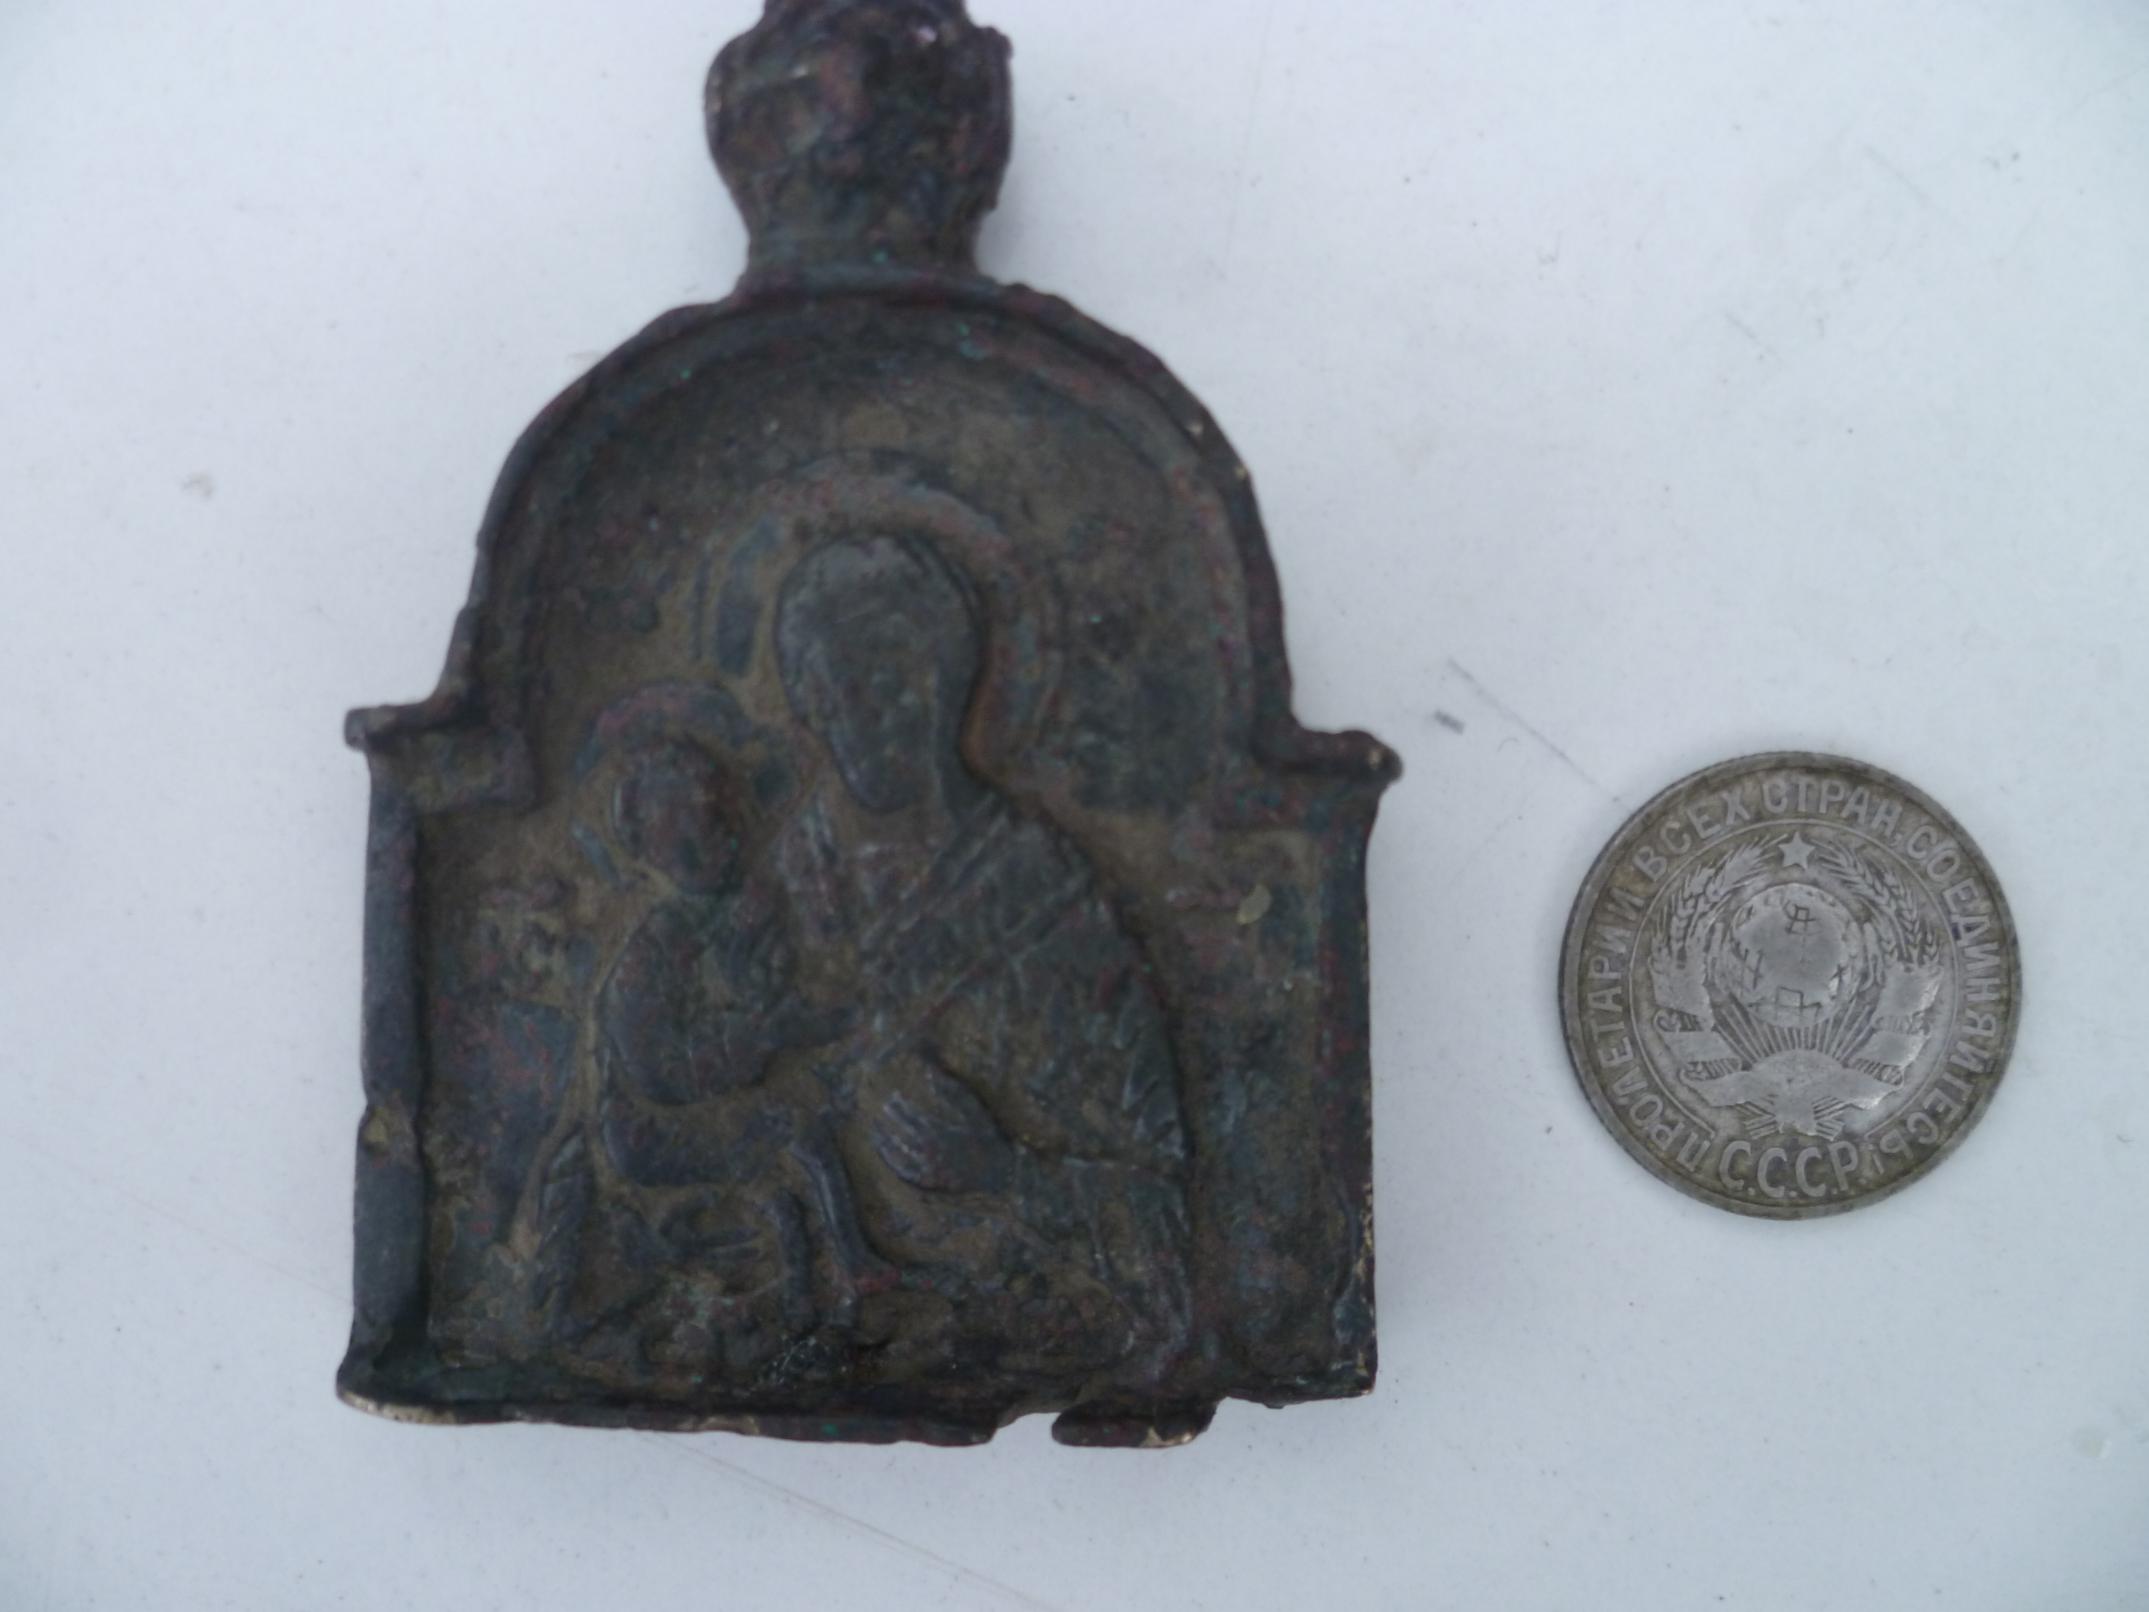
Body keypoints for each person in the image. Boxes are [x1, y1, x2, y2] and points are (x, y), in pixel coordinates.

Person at [770, 534, 1193, 1383]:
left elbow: (1165, 1210)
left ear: (948, 685)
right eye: (839, 687)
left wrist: (1005, 1173)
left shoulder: (1040, 892)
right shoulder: (784, 883)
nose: (869, 716)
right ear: (808, 704)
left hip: (1034, 1308)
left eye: (894, 681)